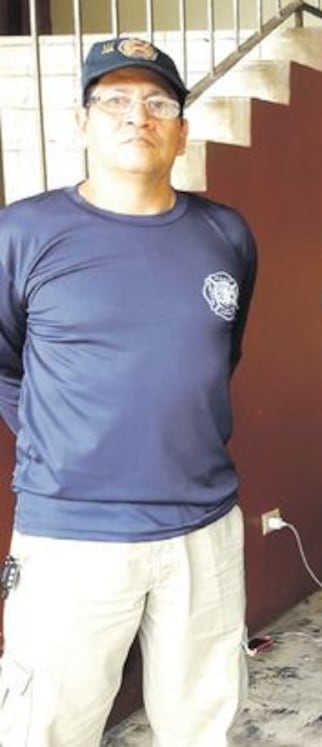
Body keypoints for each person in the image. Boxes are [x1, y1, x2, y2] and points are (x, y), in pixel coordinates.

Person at [0, 37, 257, 745]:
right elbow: (4, 361)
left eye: (157, 102)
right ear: (82, 123)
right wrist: (65, 443)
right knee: (45, 727)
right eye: (112, 100)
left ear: (181, 130)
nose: (135, 115)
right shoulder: (24, 232)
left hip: (202, 529)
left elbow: (213, 356)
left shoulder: (225, 234)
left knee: (204, 726)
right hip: (70, 539)